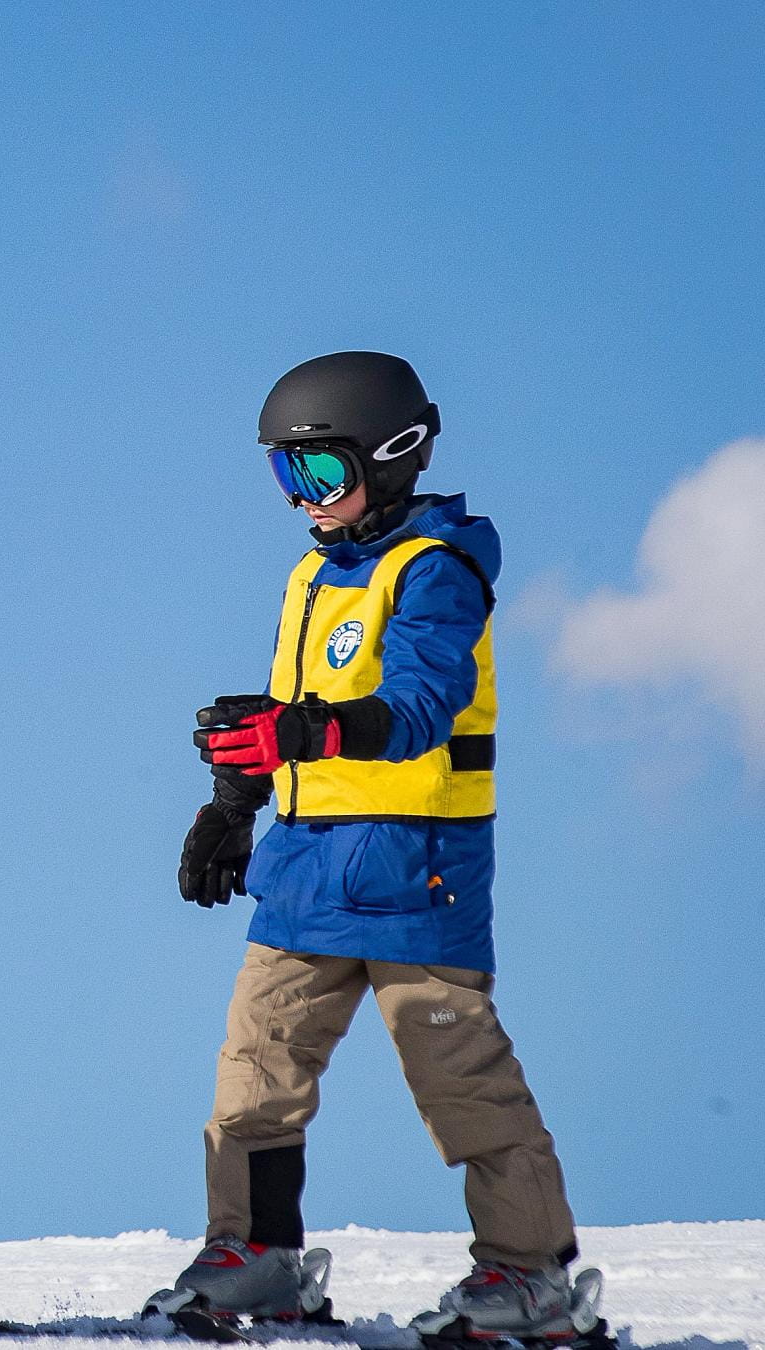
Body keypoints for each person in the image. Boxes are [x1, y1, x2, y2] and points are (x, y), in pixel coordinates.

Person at [154, 352, 598, 1343]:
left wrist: (305, 731)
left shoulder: (435, 570)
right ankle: (257, 1257)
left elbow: (419, 704)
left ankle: (531, 1277)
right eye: (287, 473)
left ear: (392, 456)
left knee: (459, 1078)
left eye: (321, 471)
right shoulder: (315, 574)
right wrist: (235, 802)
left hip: (415, 873)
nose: (303, 498)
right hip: (306, 870)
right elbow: (294, 712)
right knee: (255, 1074)